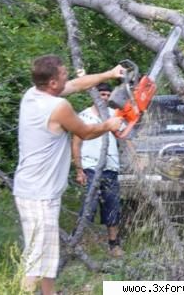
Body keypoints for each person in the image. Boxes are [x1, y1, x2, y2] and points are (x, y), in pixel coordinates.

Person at [13, 55, 125, 295]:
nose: (68, 78)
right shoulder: (58, 107)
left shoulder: (33, 94)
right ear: (53, 83)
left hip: (34, 189)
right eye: (63, 75)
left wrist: (109, 74)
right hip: (38, 193)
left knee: (48, 251)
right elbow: (85, 132)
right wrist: (110, 124)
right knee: (37, 257)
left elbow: (77, 84)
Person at [72, 82, 123, 257]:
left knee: (112, 205)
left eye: (108, 95)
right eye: (102, 94)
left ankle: (114, 245)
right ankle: (76, 244)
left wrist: (136, 156)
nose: (105, 98)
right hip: (90, 168)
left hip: (111, 167)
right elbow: (76, 143)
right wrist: (79, 169)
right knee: (89, 206)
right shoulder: (83, 116)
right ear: (95, 95)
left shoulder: (114, 115)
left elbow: (125, 136)